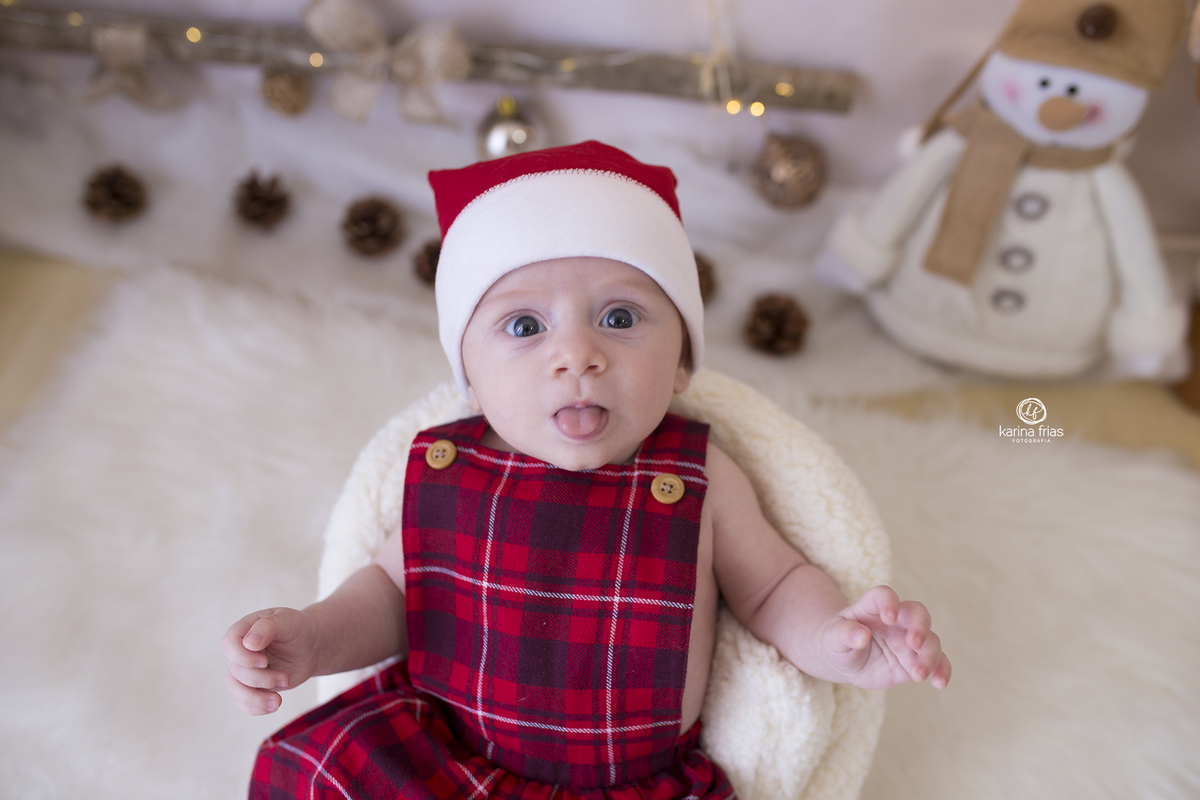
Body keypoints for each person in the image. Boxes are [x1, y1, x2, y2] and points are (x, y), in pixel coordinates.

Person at [222, 141, 950, 799]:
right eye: (525, 326)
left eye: (621, 318)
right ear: (468, 376)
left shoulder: (698, 478)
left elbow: (775, 587)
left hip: (629, 787)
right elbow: (389, 594)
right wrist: (314, 639)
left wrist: (837, 641)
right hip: (442, 761)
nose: (577, 355)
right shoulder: (449, 470)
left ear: (683, 363)